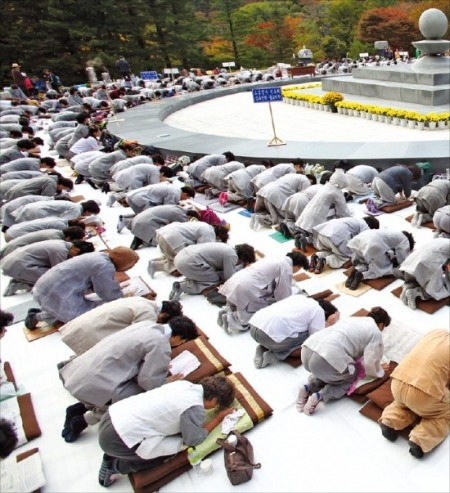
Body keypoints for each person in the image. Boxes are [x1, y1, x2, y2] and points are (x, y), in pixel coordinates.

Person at [59, 316, 198, 442]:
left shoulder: (148, 324)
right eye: (182, 341)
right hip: (97, 381)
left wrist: (158, 363)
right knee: (137, 394)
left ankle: (78, 408)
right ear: (178, 337)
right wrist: (167, 381)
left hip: (82, 370)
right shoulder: (160, 344)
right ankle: (83, 420)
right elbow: (148, 382)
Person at [97, 375, 235, 487]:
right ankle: (115, 466)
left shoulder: (183, 384)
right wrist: (218, 419)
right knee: (169, 451)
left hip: (112, 415)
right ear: (214, 399)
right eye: (216, 405)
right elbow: (194, 439)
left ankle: (113, 454)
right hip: (115, 438)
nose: (213, 408)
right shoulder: (195, 407)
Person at [297, 307, 391, 415]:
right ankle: (320, 396)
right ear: (381, 325)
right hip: (325, 360)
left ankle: (308, 387)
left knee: (331, 371)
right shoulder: (375, 332)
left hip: (307, 350)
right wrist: (378, 369)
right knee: (351, 375)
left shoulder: (352, 319)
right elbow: (370, 363)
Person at [25, 247, 139, 329]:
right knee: (83, 316)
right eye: (131, 265)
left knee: (76, 306)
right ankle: (37, 317)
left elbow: (98, 284)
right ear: (123, 263)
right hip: (55, 293)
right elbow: (107, 293)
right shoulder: (104, 266)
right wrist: (124, 295)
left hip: (46, 287)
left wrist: (116, 287)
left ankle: (43, 312)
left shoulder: (100, 256)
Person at [379, 329, 449, 459]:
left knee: (403, 403)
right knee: (445, 411)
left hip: (398, 382)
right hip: (424, 395)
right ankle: (420, 440)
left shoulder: (436, 332)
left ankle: (390, 420)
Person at [218, 252, 309, 333]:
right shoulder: (286, 266)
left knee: (234, 303)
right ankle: (230, 319)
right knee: (249, 317)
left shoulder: (276, 257)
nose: (296, 272)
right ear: (297, 265)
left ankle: (226, 311)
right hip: (247, 286)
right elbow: (283, 292)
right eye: (299, 269)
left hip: (237, 279)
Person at [59, 298, 183, 355]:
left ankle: (70, 363)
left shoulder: (142, 300)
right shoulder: (148, 314)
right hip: (90, 332)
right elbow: (140, 340)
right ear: (164, 314)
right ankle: (69, 365)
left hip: (81, 324)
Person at [250, 297, 339, 368]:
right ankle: (273, 355)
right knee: (311, 345)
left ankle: (265, 347)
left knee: (300, 329)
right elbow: (316, 338)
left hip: (254, 326)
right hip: (268, 337)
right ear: (325, 313)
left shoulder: (300, 297)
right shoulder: (318, 310)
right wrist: (328, 324)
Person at [1, 239, 94, 295]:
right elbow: (60, 271)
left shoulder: (61, 244)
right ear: (76, 250)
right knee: (49, 280)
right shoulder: (60, 251)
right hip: (17, 266)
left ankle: (21, 279)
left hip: (14, 262)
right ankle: (18, 285)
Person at [169, 243, 256, 301]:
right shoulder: (232, 255)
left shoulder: (227, 248)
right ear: (243, 259)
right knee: (213, 280)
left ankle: (191, 279)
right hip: (190, 263)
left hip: (181, 257)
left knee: (211, 273)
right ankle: (182, 286)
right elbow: (229, 277)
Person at [148, 221, 229, 277]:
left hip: (162, 234)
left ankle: (158, 261)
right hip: (172, 238)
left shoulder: (204, 225)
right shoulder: (209, 233)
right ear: (219, 237)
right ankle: (157, 265)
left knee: (175, 255)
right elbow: (201, 252)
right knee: (184, 265)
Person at [346, 229, 415, 290]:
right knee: (384, 269)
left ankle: (357, 269)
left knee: (364, 261)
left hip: (358, 240)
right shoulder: (404, 240)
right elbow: (402, 261)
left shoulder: (390, 231)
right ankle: (363, 274)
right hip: (373, 244)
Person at [295, 176, 351, 250]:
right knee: (319, 241)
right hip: (317, 216)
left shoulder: (326, 187)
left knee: (310, 230)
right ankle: (307, 240)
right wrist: (350, 219)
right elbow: (343, 211)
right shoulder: (337, 192)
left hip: (309, 211)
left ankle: (303, 237)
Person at [311, 216, 380, 273]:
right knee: (346, 258)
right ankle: (326, 261)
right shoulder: (365, 226)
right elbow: (366, 243)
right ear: (372, 228)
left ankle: (317, 256)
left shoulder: (353, 219)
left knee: (331, 251)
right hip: (335, 237)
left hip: (322, 234)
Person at [395, 238, 450, 309]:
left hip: (410, 266)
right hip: (424, 267)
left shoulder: (442, 240)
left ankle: (408, 285)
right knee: (444, 290)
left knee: (431, 279)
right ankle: (416, 292)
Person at [126, 205, 198, 250]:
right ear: (190, 216)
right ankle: (143, 240)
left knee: (166, 229)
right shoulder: (180, 214)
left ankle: (142, 236)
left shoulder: (176, 208)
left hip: (138, 219)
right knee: (162, 241)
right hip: (145, 223)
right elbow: (184, 229)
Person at [0, 226, 85, 260]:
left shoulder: (55, 232)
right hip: (14, 251)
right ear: (68, 238)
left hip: (14, 245)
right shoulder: (55, 239)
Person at [11, 199, 100, 224]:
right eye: (90, 214)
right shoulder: (76, 211)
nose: (89, 215)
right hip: (38, 212)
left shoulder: (74, 205)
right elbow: (63, 222)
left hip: (34, 207)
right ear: (87, 211)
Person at [126, 184, 195, 215]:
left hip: (134, 196)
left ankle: (124, 219)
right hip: (139, 199)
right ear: (185, 194)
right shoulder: (175, 193)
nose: (185, 199)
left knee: (143, 216)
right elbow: (168, 209)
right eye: (187, 198)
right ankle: (125, 220)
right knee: (147, 216)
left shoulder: (174, 189)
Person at [4, 175, 74, 202]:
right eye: (64, 188)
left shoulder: (49, 177)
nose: (62, 189)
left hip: (18, 189)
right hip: (22, 193)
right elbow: (46, 198)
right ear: (61, 184)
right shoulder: (51, 183)